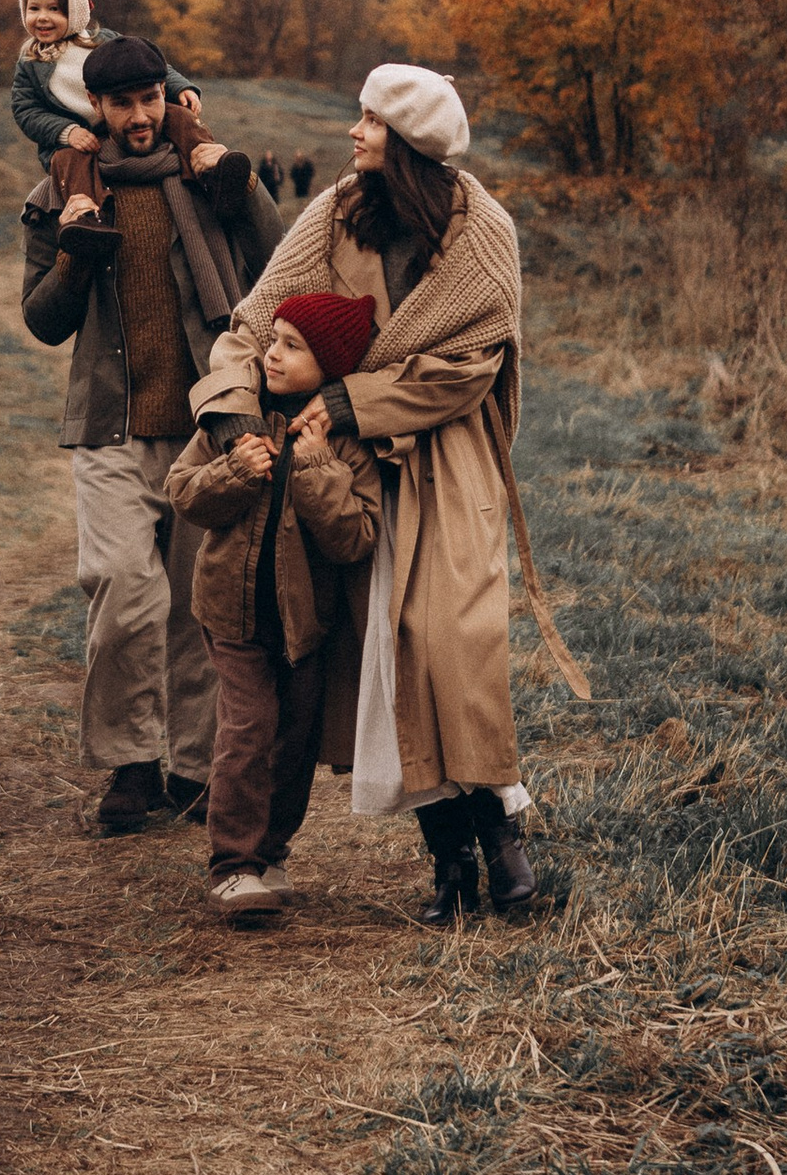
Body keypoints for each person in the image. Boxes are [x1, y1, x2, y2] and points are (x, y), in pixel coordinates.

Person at [194, 63, 585, 923]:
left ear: (406, 140)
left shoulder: (484, 234)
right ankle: (448, 865)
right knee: (388, 660)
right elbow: (257, 318)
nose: (353, 132)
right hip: (347, 468)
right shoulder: (336, 211)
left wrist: (344, 400)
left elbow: (469, 367)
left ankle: (505, 851)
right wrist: (228, 412)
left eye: (369, 120)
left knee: (452, 642)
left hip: (448, 461)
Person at [21, 35, 282, 834]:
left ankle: (197, 772)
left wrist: (236, 186)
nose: (139, 117)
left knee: (199, 610)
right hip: (109, 427)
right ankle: (130, 765)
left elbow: (277, 263)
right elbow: (41, 318)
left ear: (168, 97)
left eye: (150, 99)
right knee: (123, 592)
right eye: (122, 103)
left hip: (209, 427)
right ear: (93, 111)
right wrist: (74, 253)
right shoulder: (60, 193)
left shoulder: (211, 176)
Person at [166, 296, 382, 921]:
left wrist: (314, 464)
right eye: (274, 339)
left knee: (294, 739)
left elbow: (355, 538)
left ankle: (270, 852)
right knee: (248, 727)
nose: (272, 354)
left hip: (305, 623)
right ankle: (232, 867)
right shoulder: (236, 417)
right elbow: (182, 491)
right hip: (232, 614)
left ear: (331, 368)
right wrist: (234, 471)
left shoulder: (345, 444)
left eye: (292, 346)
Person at [11, 0, 201, 215]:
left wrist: (180, 88)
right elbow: (26, 110)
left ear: (76, 11)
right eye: (34, 8)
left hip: (121, 122)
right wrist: (65, 132)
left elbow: (150, 65)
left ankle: (207, 165)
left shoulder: (103, 42)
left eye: (54, 9)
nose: (42, 17)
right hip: (77, 138)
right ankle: (87, 215)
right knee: (69, 161)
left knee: (180, 117)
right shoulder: (30, 62)